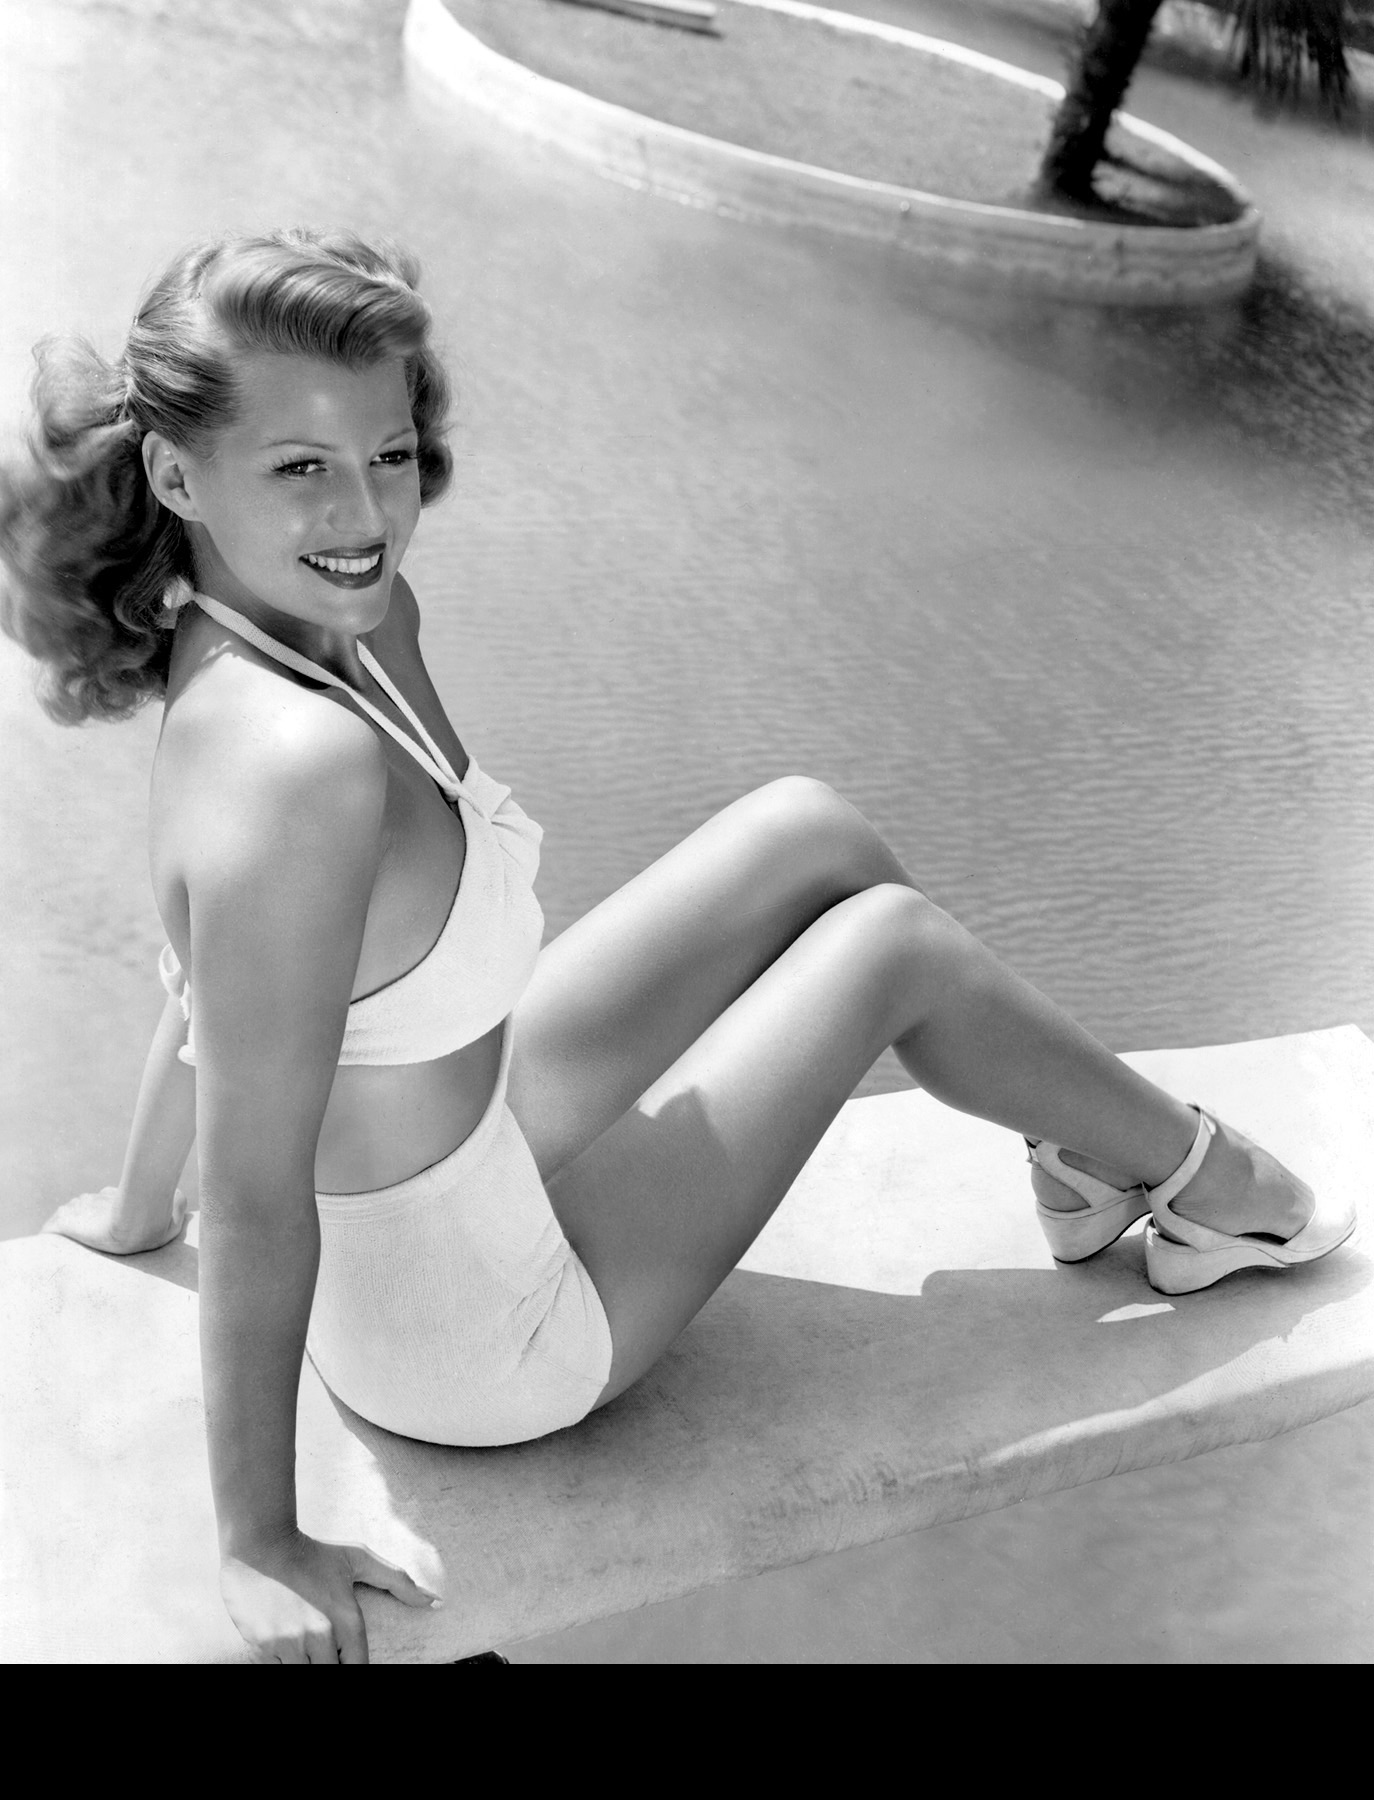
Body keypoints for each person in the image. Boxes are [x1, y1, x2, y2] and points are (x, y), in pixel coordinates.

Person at [0, 230, 1353, 1665]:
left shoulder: (331, 623)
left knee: (808, 830)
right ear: (174, 477)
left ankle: (1087, 1163)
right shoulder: (296, 768)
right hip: (470, 1339)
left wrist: (136, 1211)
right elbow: (253, 1186)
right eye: (298, 467)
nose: (362, 512)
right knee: (892, 948)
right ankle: (1208, 1185)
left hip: (466, 1143)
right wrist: (259, 1542)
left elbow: (200, 984)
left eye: (386, 454)